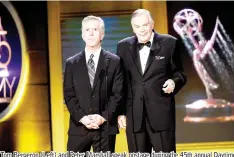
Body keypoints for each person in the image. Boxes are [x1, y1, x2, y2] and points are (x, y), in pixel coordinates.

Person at [117, 9, 187, 153]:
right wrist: (120, 112)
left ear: (152, 24)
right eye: (137, 26)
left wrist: (173, 82)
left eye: (145, 25)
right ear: (133, 28)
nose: (142, 30)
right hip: (134, 115)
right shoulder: (123, 46)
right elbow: (120, 82)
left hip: (161, 113)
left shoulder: (169, 43)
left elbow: (180, 74)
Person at [64, 15, 123, 153]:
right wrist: (83, 118)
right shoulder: (72, 63)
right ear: (82, 35)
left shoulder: (114, 62)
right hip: (78, 128)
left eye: (95, 29)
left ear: (102, 34)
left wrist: (103, 116)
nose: (90, 33)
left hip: (105, 128)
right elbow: (69, 95)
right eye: (87, 30)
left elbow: (118, 94)